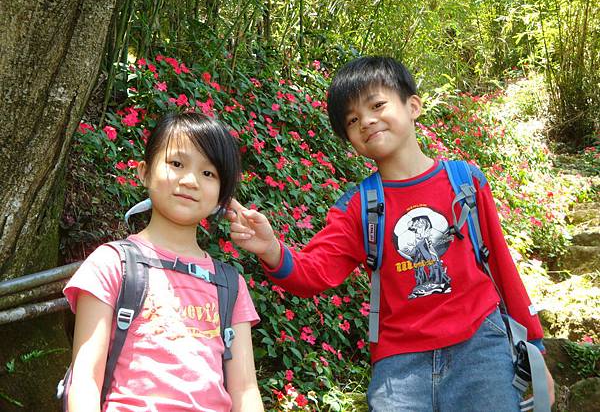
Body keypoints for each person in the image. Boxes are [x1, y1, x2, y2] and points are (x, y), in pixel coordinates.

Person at [228, 56, 554, 411]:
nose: (366, 121)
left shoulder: (465, 182)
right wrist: (271, 249)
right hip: (399, 365)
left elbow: (502, 265)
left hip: (481, 348)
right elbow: (314, 271)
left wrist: (534, 346)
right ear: (350, 138)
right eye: (352, 120)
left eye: (377, 105)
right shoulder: (359, 206)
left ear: (413, 105)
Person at [64, 113, 263, 412]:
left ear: (222, 195)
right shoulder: (111, 264)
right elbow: (85, 379)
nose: (190, 181)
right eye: (177, 164)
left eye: (209, 173)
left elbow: (245, 390)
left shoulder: (230, 284)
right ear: (144, 172)